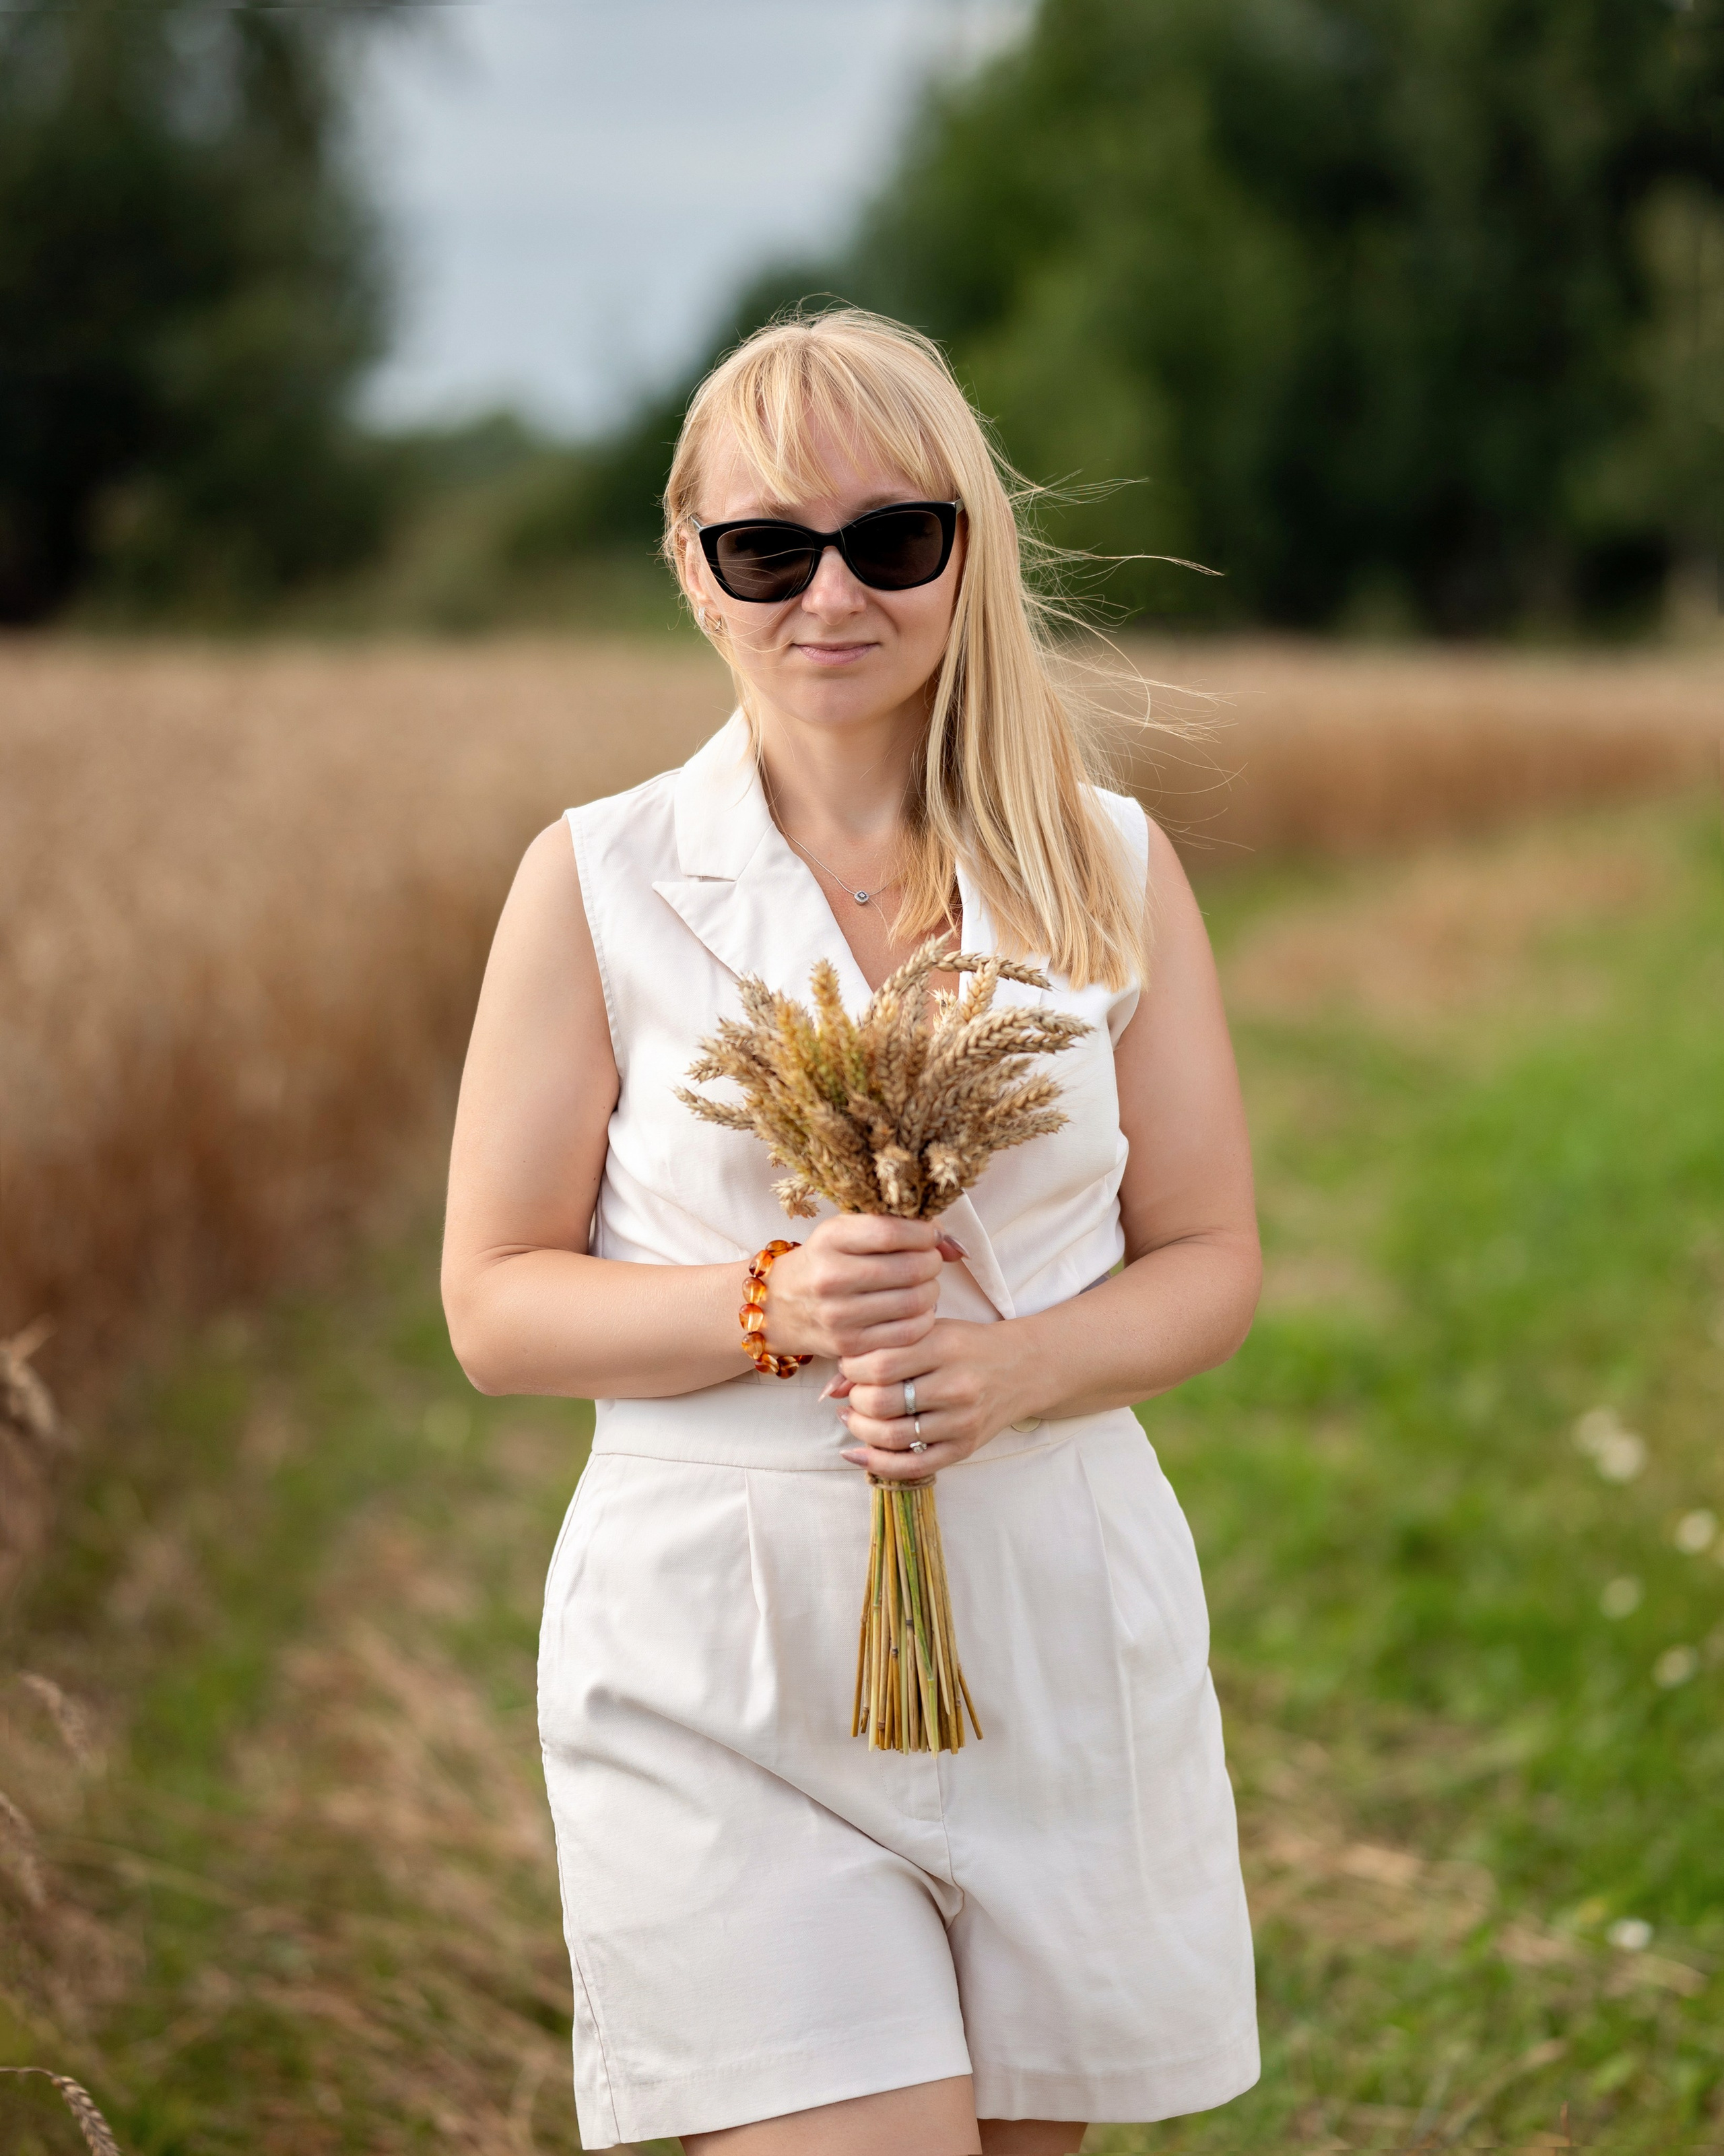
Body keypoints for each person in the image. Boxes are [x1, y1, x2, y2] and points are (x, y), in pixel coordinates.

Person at [441, 308, 1261, 2156]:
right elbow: (492, 1305)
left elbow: (1210, 1252)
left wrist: (1015, 1366)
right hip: (716, 1664)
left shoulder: (1107, 866)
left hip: (1052, 1628)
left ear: (968, 548)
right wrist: (770, 1297)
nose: (833, 593)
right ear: (692, 566)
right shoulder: (597, 878)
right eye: (767, 547)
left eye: (895, 538)